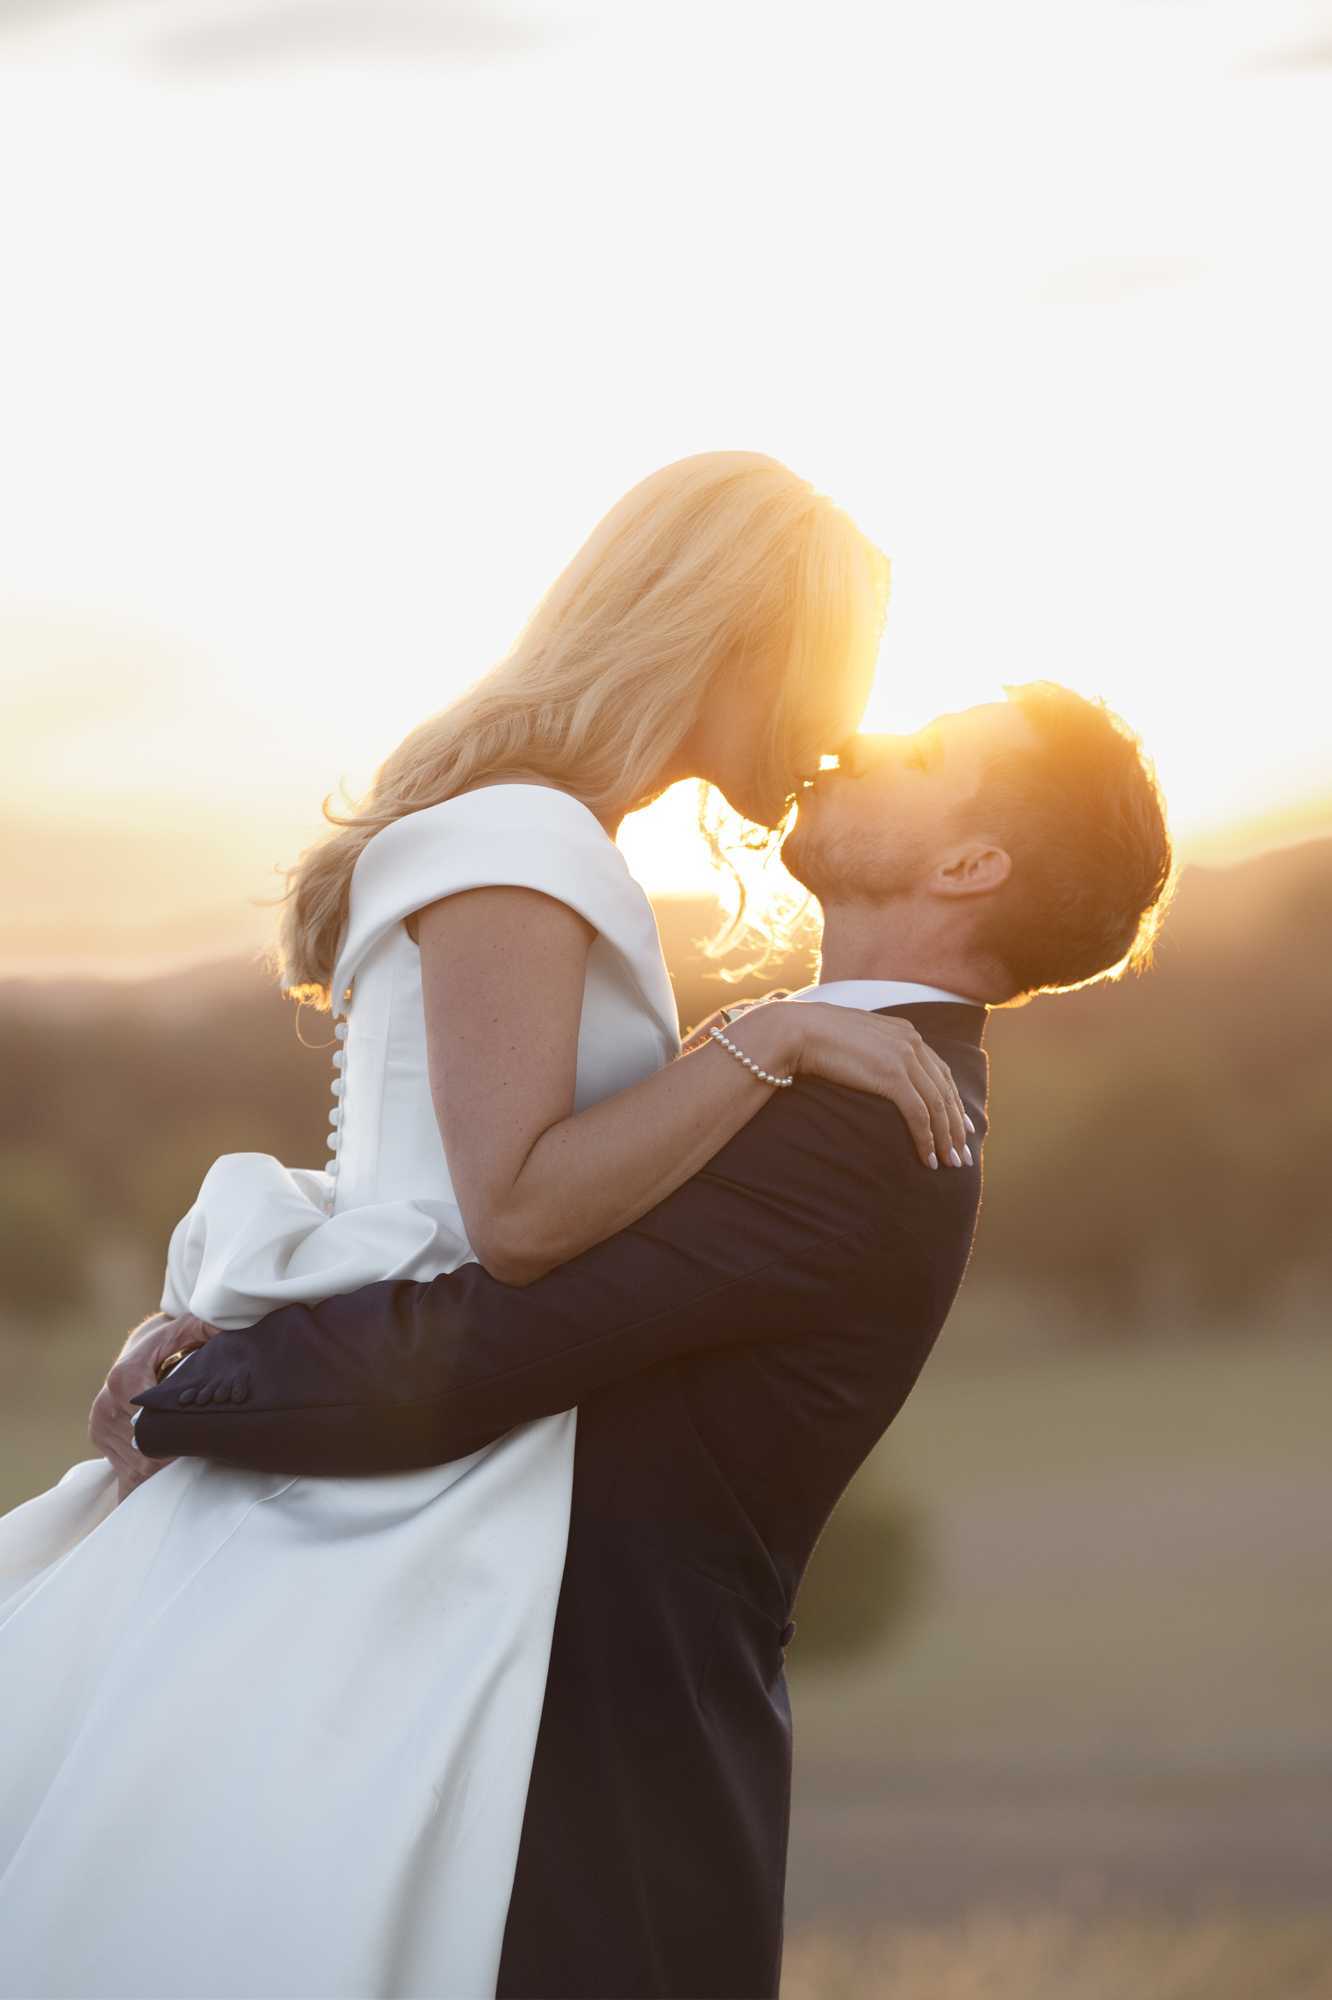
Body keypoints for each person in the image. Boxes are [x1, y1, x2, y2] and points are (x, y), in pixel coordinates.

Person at [0, 451, 972, 2000]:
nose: (840, 729)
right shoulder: (528, 840)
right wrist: (768, 1041)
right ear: (738, 639)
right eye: (837, 675)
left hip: (444, 1486)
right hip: (404, 1519)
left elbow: (441, 1189)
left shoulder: (536, 836)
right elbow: (511, 1215)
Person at [133, 683, 1172, 1999]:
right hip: (561, 1777)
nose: (851, 738)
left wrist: (186, 1389)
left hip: (597, 1823)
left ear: (971, 864)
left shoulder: (853, 1132)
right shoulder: (825, 1086)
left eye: (921, 751)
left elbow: (478, 1349)